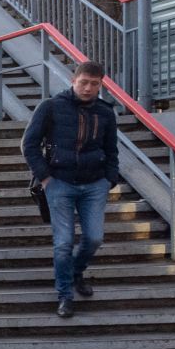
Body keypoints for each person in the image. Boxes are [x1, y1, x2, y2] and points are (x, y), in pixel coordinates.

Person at [22, 60, 119, 318]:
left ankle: (76, 271)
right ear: (73, 80)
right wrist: (44, 177)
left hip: (95, 183)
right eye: (84, 82)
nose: (88, 88)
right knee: (63, 242)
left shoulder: (105, 112)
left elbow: (111, 149)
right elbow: (29, 144)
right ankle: (65, 294)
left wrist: (110, 178)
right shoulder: (51, 107)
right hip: (59, 182)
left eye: (94, 84)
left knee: (94, 237)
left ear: (101, 85)